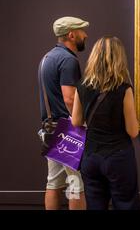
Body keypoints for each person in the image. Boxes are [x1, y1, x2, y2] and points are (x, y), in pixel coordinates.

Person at [72, 36, 140, 210]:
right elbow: (133, 131)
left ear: (94, 57)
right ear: (119, 59)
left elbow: (76, 121)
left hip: (91, 157)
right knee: (126, 204)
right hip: (118, 157)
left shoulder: (81, 86)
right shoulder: (123, 89)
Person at [38, 16, 89, 210]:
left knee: (53, 183)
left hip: (50, 128)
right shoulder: (68, 60)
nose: (86, 35)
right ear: (71, 34)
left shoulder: (46, 58)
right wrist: (82, 123)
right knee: (76, 185)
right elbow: (69, 98)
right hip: (67, 130)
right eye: (82, 31)